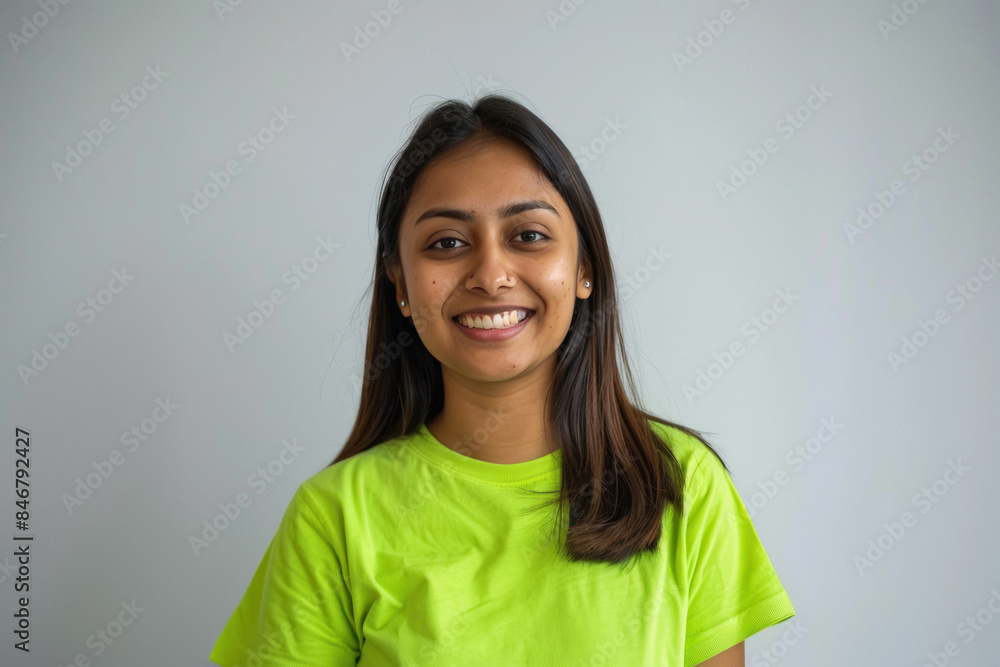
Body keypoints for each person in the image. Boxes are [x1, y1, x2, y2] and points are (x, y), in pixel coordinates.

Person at [210, 94, 796, 666]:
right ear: (401, 287)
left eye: (529, 236)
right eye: (447, 243)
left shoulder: (682, 485)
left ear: (584, 269)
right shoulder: (333, 517)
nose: (491, 274)